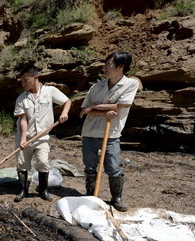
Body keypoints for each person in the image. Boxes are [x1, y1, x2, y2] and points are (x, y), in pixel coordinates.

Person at [80, 51, 139, 212]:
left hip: (111, 133)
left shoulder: (130, 84)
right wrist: (100, 110)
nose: (105, 68)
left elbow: (119, 107)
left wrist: (94, 107)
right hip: (90, 132)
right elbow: (84, 109)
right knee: (90, 166)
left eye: (109, 65)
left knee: (113, 167)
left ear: (121, 67)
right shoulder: (96, 86)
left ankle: (116, 198)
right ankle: (90, 193)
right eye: (105, 65)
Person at [13, 65, 71, 202]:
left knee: (43, 162)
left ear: (36, 78)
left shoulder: (50, 91)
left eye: (25, 80)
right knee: (22, 163)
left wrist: (64, 113)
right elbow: (23, 120)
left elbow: (67, 101)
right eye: (21, 81)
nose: (23, 83)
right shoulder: (21, 99)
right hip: (25, 136)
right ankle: (23, 190)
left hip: (42, 137)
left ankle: (43, 190)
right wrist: (22, 139)